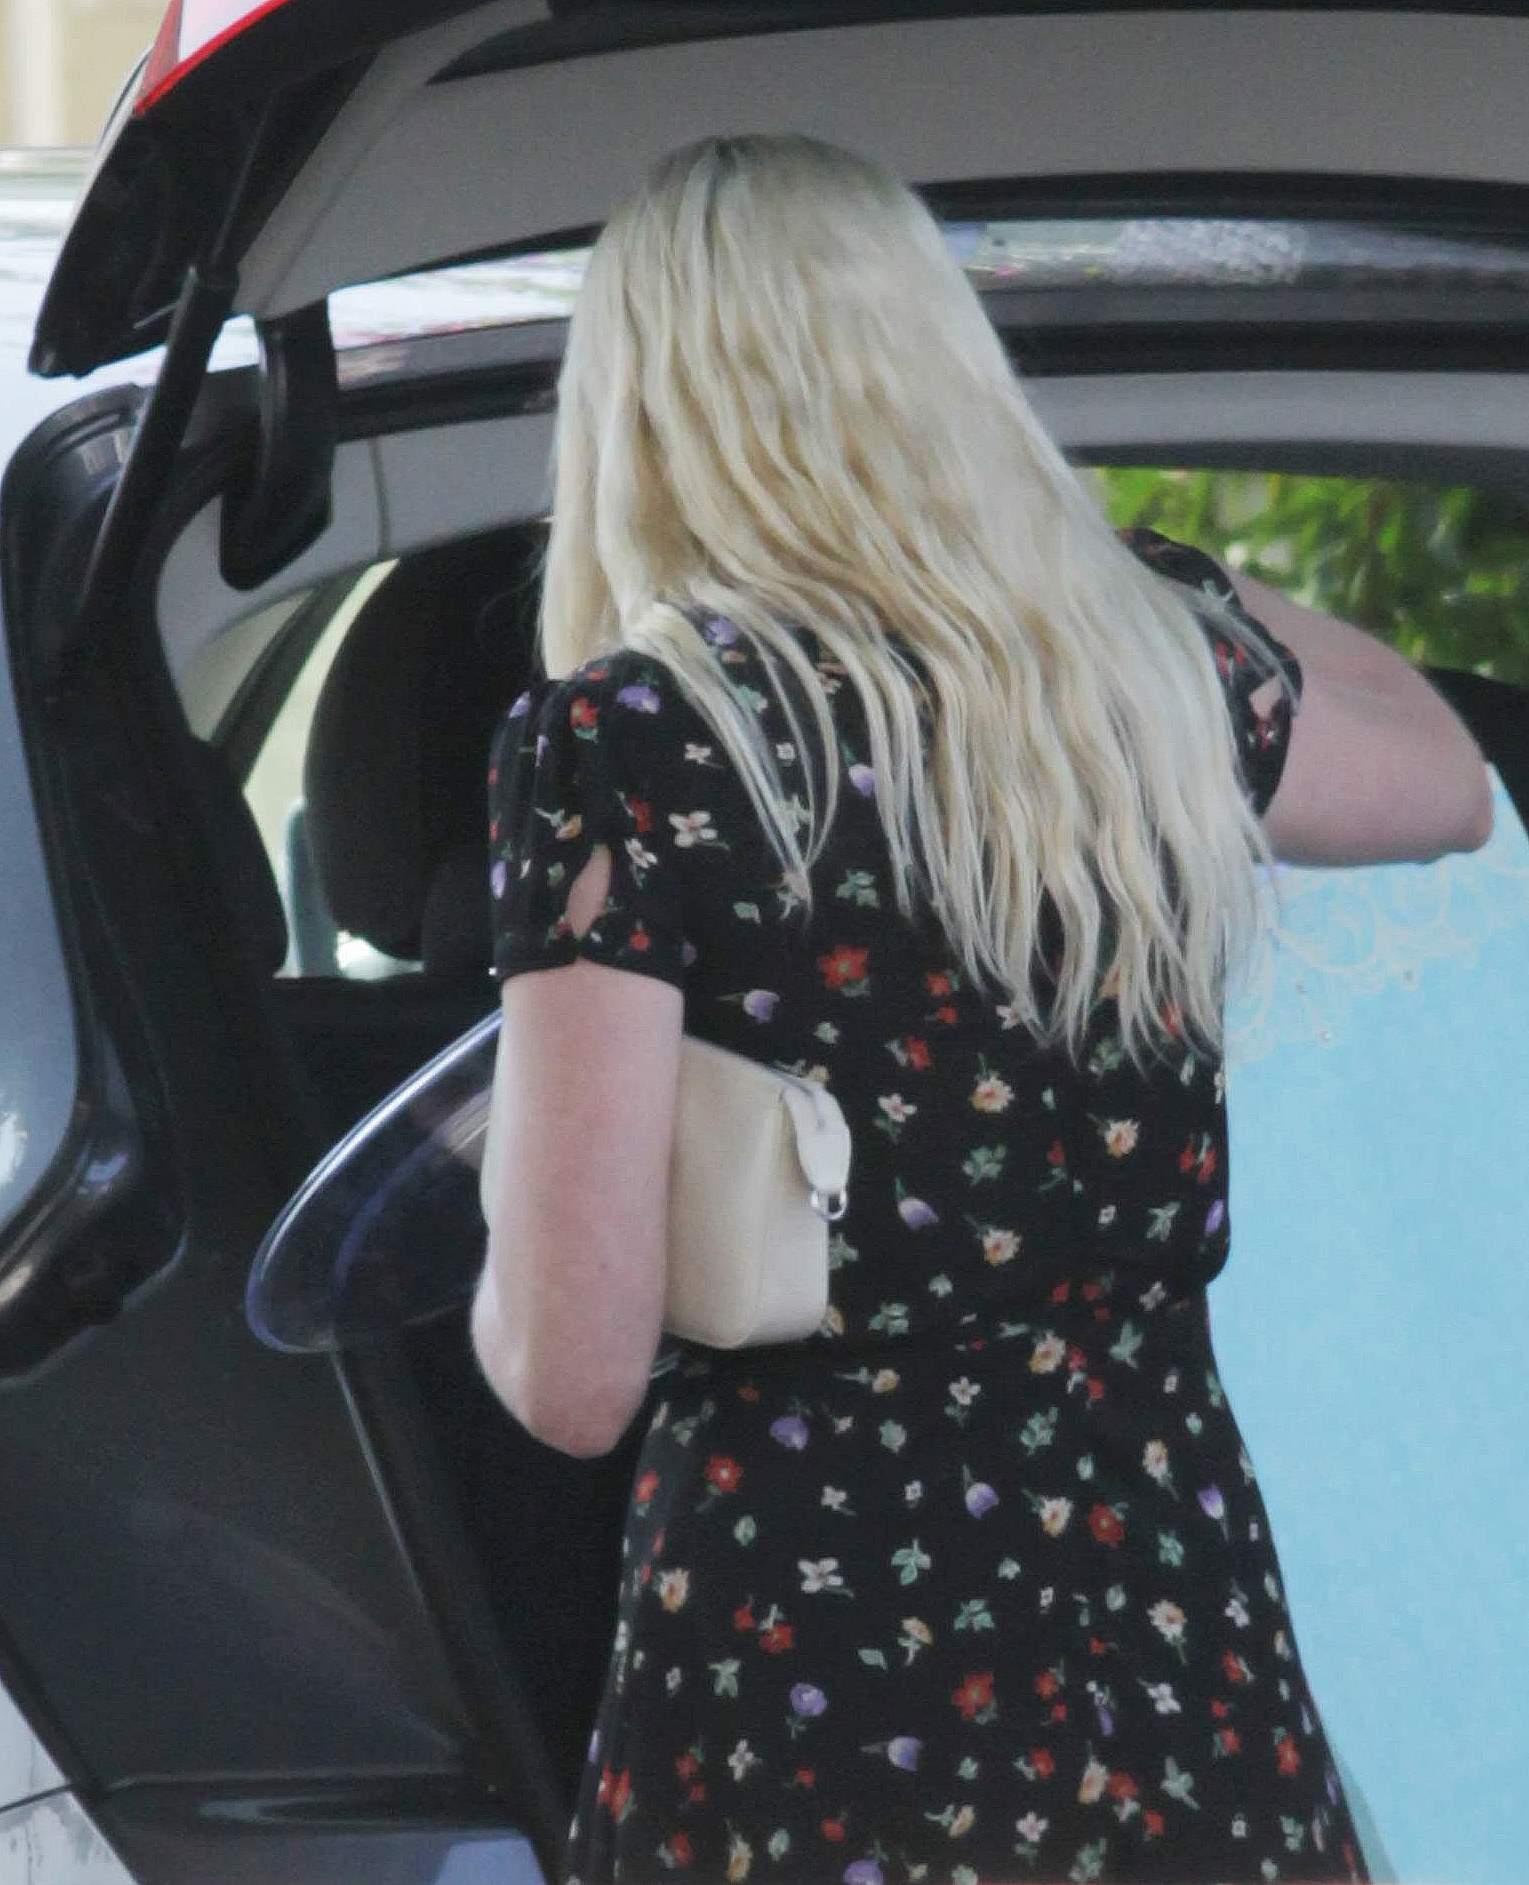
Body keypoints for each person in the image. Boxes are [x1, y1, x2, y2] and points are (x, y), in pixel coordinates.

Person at [470, 135, 1492, 1885]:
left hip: (820, 1679)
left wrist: (491, 1237)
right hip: (1171, 1637)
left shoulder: (634, 744)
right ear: (940, 370)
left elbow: (572, 1375)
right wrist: (1142, 586)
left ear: (635, 410)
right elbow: (1446, 778)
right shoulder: (1136, 690)